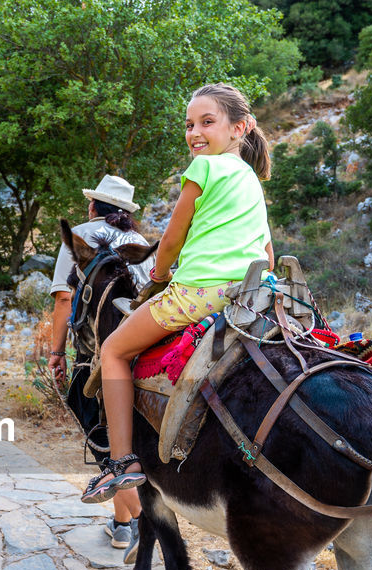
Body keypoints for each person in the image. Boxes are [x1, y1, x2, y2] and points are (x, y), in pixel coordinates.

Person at [81, 82, 274, 504]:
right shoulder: (251, 182)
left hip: (198, 292)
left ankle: (121, 464)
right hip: (248, 294)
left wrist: (162, 271)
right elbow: (268, 256)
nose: (195, 133)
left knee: (113, 350)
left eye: (207, 122)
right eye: (189, 125)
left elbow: (171, 238)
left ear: (240, 127)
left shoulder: (203, 168)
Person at [49, 175, 153, 561]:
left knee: (104, 441)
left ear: (94, 206)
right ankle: (122, 525)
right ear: (125, 213)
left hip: (95, 355)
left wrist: (57, 351)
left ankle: (142, 524)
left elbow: (64, 298)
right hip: (144, 351)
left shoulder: (79, 237)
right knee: (124, 442)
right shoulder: (140, 243)